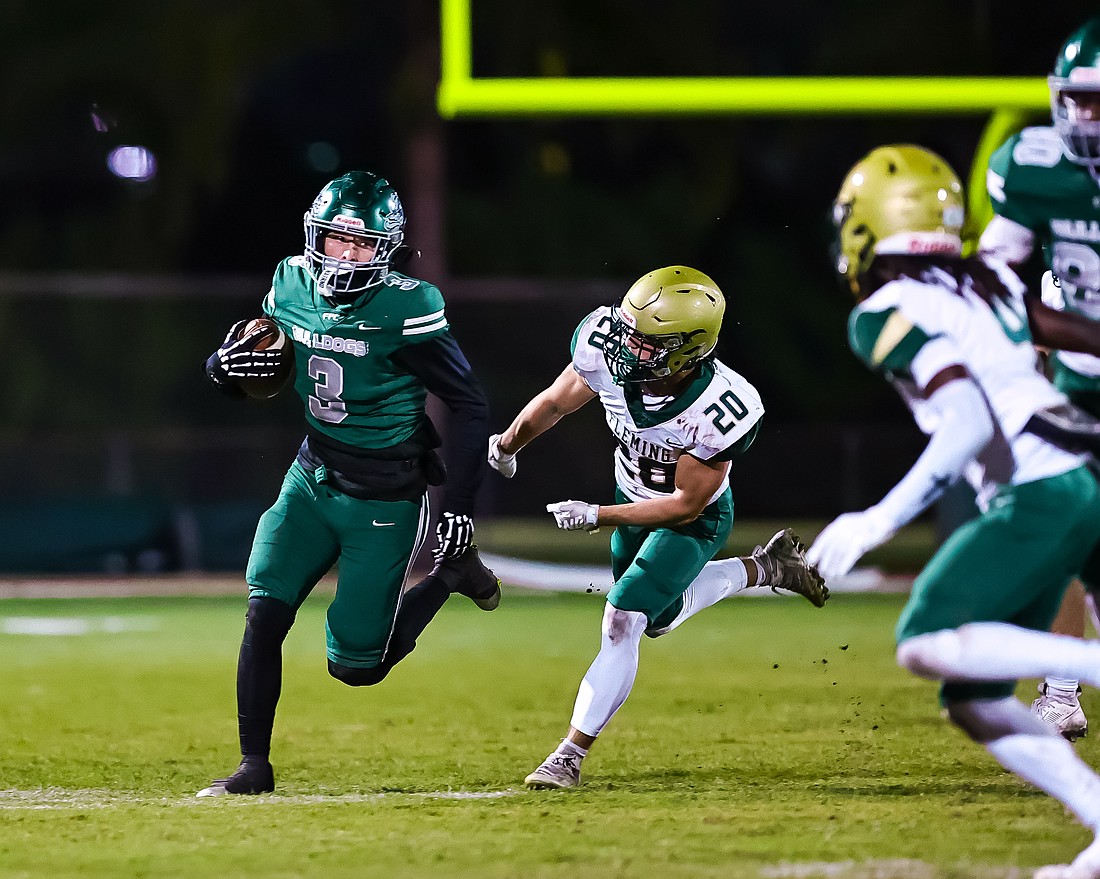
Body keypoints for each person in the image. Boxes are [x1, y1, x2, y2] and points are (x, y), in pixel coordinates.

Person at [808, 144, 1100, 879]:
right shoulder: (985, 282)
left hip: (1042, 494)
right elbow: (1071, 332)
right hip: (1080, 480)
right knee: (973, 699)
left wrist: (877, 519)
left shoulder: (884, 311)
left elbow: (966, 420)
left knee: (924, 639)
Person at [197, 170, 500, 796]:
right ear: (316, 236)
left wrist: (460, 507)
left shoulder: (405, 307)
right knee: (264, 610)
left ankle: (452, 575)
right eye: (337, 239)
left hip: (385, 499)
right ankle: (254, 765)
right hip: (310, 480)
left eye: (363, 244)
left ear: (387, 250)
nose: (347, 255)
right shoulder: (290, 282)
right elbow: (254, 353)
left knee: (357, 669)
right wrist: (220, 370)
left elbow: (470, 405)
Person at [487, 265, 828, 790]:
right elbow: (557, 399)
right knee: (658, 619)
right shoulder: (607, 348)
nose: (626, 346)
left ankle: (568, 756)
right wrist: (509, 444)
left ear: (688, 350)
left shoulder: (719, 406)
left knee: (622, 619)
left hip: (693, 521)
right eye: (627, 331)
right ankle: (766, 568)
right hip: (631, 495)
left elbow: (684, 506)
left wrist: (597, 515)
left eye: (646, 341)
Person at [978, 15, 1100, 741]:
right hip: (1082, 383)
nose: (1085, 119)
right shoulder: (1036, 167)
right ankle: (1060, 688)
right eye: (1078, 100)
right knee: (1066, 530)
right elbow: (998, 279)